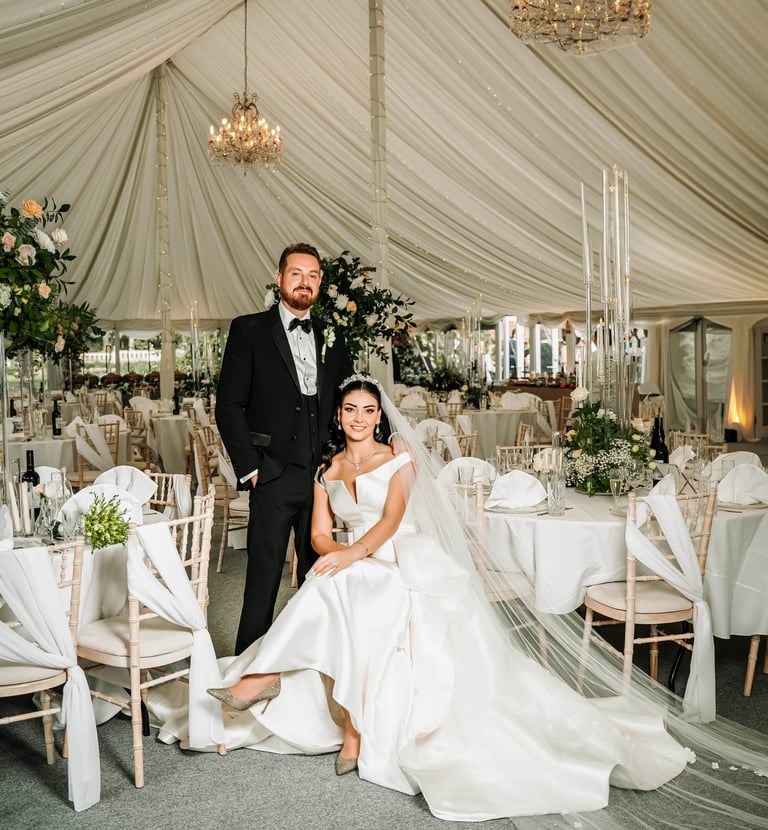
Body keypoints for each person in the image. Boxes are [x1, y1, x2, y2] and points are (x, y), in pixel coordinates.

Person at [199, 374, 738, 824]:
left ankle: (277, 687)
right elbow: (318, 533)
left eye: (367, 409)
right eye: (349, 410)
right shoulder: (327, 469)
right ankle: (349, 726)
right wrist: (333, 552)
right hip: (356, 559)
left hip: (398, 554)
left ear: (379, 416)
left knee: (338, 583)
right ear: (337, 416)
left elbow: (390, 522)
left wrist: (351, 553)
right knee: (332, 580)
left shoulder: (399, 458)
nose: (358, 418)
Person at [215, 242, 353, 653]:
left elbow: (348, 397)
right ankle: (247, 667)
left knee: (320, 576)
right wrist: (251, 467)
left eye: (312, 276)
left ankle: (312, 662)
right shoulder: (249, 329)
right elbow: (228, 405)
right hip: (272, 475)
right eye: (296, 274)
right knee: (264, 578)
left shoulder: (333, 334)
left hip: (322, 477)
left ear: (320, 283)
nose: (304, 283)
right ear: (279, 279)